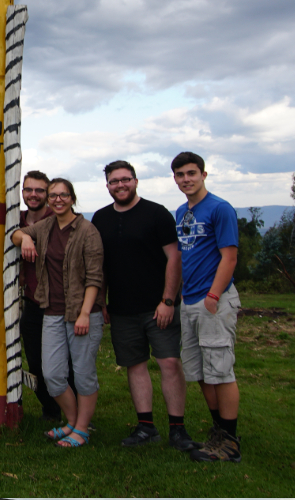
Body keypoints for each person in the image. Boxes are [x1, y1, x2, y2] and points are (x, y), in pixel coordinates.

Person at [93, 161, 193, 451]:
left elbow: (174, 259)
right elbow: (101, 265)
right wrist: (103, 301)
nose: (120, 185)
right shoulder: (100, 218)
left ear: (135, 181)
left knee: (169, 363)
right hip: (122, 308)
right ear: (108, 186)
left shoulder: (156, 213)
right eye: (114, 181)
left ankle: (178, 429)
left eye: (125, 180)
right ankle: (146, 426)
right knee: (135, 366)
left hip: (158, 306)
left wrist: (168, 300)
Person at [11, 179, 104, 447]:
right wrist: (26, 236)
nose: (57, 200)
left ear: (73, 198)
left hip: (81, 312)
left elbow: (95, 278)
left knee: (83, 372)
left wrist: (85, 313)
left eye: (63, 195)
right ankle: (72, 421)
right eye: (53, 195)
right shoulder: (48, 226)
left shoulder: (88, 231)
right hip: (51, 311)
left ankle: (82, 429)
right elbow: (14, 235)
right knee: (52, 375)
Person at [171, 151, 242, 462]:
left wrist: (213, 296)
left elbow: (229, 257)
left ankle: (230, 443)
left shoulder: (220, 209)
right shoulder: (181, 212)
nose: (186, 179)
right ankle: (217, 433)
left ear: (203, 174)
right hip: (189, 301)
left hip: (212, 300)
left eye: (191, 173)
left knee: (221, 371)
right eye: (180, 175)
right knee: (201, 372)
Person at [17, 170, 63, 420]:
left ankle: (75, 413)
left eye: (39, 190)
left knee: (63, 363)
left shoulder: (59, 219)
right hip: (32, 301)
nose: (33, 195)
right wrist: (24, 236)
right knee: (35, 363)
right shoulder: (17, 220)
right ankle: (51, 408)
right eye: (28, 190)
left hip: (59, 304)